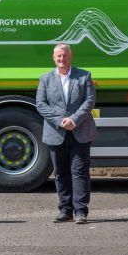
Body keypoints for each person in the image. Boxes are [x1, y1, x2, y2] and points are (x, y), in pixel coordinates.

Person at [36, 43, 97, 224]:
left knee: (79, 172)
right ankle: (65, 210)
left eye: (65, 56)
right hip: (56, 132)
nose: (62, 59)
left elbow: (89, 101)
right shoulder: (45, 79)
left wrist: (74, 120)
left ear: (71, 57)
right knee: (61, 173)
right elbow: (41, 104)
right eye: (58, 56)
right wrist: (60, 121)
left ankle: (80, 211)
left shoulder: (84, 76)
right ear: (54, 58)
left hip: (80, 131)